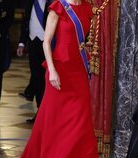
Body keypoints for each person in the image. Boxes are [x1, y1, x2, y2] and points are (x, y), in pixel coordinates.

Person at [20, 0, 99, 157]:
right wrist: (52, 70)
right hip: (60, 69)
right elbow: (46, 42)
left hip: (79, 70)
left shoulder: (86, 8)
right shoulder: (57, 7)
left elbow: (84, 40)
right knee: (54, 119)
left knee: (80, 118)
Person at [17, 0, 50, 123]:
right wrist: (21, 43)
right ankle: (40, 112)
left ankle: (48, 114)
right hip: (33, 43)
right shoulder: (30, 2)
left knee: (47, 80)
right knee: (37, 79)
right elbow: (25, 23)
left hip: (49, 45)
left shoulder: (54, 2)